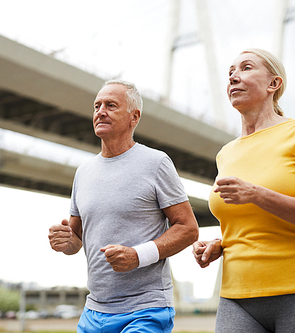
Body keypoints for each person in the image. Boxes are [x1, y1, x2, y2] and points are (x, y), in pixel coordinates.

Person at [192, 48, 295, 332]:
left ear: (274, 84)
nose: (234, 77)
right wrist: (219, 244)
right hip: (236, 295)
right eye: (230, 72)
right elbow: (244, 223)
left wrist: (257, 194)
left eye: (246, 68)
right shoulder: (226, 153)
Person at [48, 79, 199, 333]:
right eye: (97, 106)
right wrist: (64, 241)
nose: (100, 112)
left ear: (134, 117)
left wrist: (137, 256)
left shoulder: (157, 163)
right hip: (94, 311)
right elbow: (76, 240)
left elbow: (188, 229)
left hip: (146, 309)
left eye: (110, 105)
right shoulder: (83, 173)